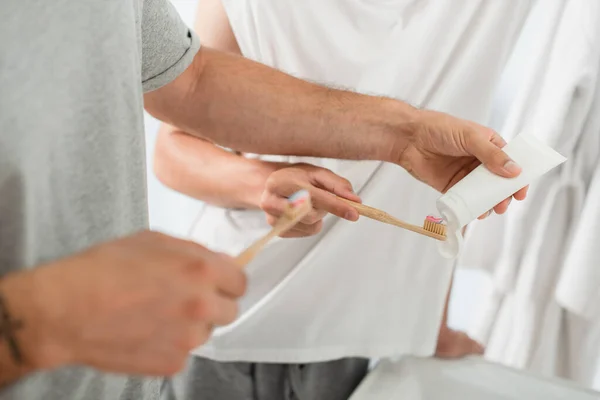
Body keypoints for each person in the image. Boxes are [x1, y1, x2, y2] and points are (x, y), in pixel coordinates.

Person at [0, 0, 524, 399]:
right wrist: (44, 318)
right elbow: (177, 134)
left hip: (136, 376)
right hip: (230, 335)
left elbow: (190, 81)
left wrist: (405, 138)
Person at [153, 1, 530, 399]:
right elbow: (174, 146)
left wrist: (431, 320)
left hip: (384, 343)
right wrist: (263, 184)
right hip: (244, 327)